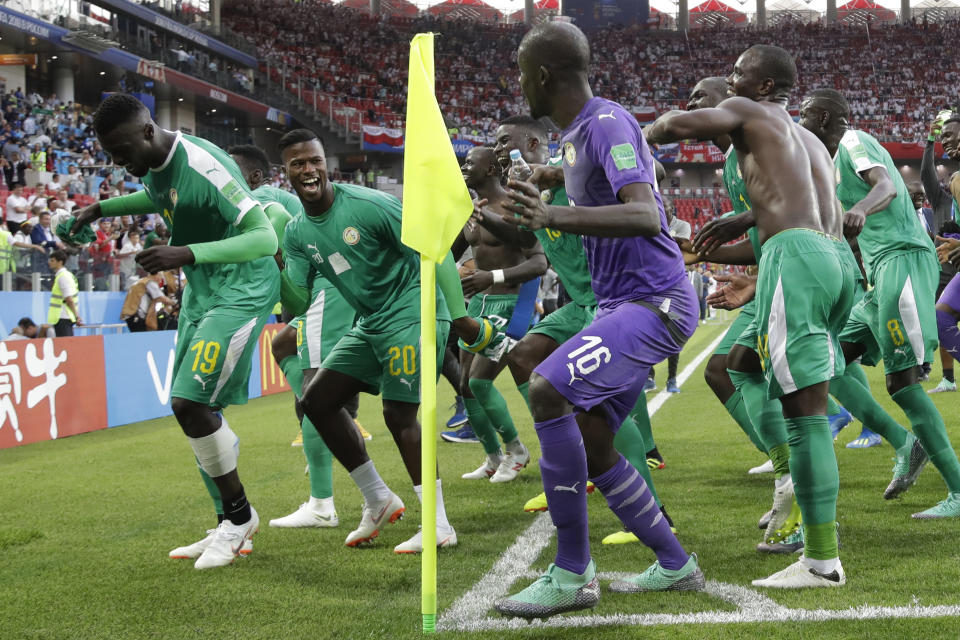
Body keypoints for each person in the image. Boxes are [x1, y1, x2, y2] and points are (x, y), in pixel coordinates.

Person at [495, 23, 704, 620]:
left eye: (520, 73)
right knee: (593, 436)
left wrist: (553, 211)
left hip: (653, 301)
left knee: (546, 386)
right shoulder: (578, 135)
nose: (518, 84)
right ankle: (675, 562)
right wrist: (547, 177)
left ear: (540, 76)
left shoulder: (607, 122)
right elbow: (584, 174)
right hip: (622, 305)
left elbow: (644, 215)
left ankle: (571, 573)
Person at [647, 45, 852, 588]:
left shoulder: (752, 111)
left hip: (796, 259)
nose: (731, 82)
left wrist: (630, 138)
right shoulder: (809, 140)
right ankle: (812, 544)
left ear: (765, 88)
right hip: (834, 262)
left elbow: (673, 125)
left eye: (738, 75)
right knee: (781, 391)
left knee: (805, 417)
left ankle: (820, 559)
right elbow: (800, 212)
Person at [69, 94, 281, 569]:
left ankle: (240, 518)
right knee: (189, 411)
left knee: (191, 404)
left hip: (241, 287)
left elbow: (266, 238)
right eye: (108, 153)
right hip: (203, 292)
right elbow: (159, 195)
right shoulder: (156, 166)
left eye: (121, 149)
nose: (117, 161)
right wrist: (97, 210)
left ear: (147, 131)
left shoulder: (204, 164)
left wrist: (183, 253)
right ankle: (227, 519)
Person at [279, 129, 498, 554]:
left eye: (315, 160)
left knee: (399, 413)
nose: (309, 170)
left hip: (414, 309)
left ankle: (439, 524)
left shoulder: (369, 205)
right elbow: (299, 299)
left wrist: (460, 320)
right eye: (298, 163)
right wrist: (276, 273)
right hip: (372, 321)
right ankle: (378, 499)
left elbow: (432, 250)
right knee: (316, 401)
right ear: (285, 171)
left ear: (327, 163)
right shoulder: (296, 232)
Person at [477, 113, 673, 545]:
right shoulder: (525, 192)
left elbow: (652, 169)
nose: (496, 148)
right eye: (493, 143)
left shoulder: (576, 176)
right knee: (525, 356)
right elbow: (528, 242)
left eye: (503, 140)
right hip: (578, 306)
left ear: (532, 142)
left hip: (617, 303)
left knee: (604, 408)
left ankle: (654, 512)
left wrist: (562, 170)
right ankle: (570, 465)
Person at [800, 90, 960, 519]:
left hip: (903, 259)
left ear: (825, 116)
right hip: (876, 276)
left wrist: (861, 211)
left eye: (805, 114)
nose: (799, 121)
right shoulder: (829, 167)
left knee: (903, 382)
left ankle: (958, 490)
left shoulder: (854, 141)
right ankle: (905, 443)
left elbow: (885, 187)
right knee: (825, 361)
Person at [227, 142, 362, 529]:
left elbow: (283, 253)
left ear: (253, 176)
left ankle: (323, 503)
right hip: (313, 289)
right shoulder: (262, 201)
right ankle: (334, 426)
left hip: (326, 288)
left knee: (316, 395)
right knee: (282, 345)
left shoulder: (263, 203)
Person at [455, 145, 544, 483]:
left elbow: (539, 262)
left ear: (491, 168)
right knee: (464, 386)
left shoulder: (512, 206)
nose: (464, 167)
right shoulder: (468, 209)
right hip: (478, 305)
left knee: (479, 381)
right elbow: (449, 254)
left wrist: (490, 277)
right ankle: (493, 457)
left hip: (511, 304)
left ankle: (517, 451)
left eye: (469, 162)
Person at [921, 115, 959, 393]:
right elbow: (926, 176)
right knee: (941, 318)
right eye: (944, 137)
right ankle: (948, 378)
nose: (948, 140)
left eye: (951, 134)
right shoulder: (944, 197)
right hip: (947, 268)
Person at [47, 249, 80, 336]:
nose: (49, 262)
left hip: (63, 317)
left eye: (52, 260)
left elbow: (69, 300)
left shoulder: (63, 277)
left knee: (65, 346)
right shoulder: (66, 275)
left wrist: (77, 316)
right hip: (64, 317)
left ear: (60, 262)